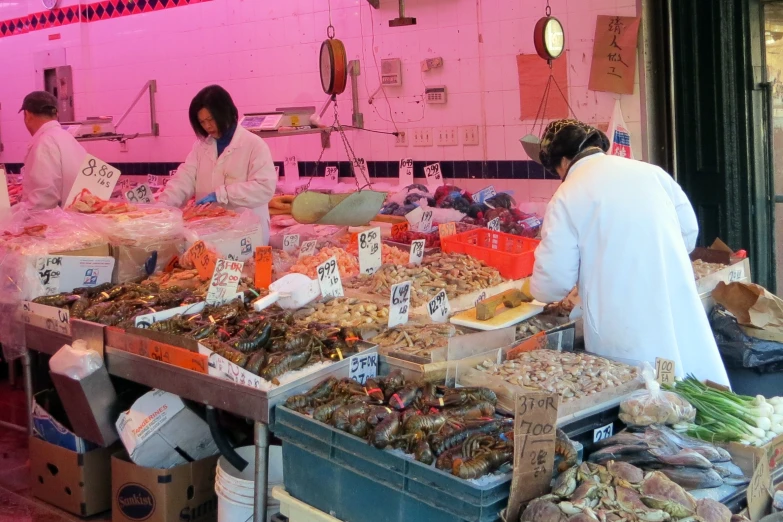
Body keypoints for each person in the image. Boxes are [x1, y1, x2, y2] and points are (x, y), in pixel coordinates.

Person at [523, 119, 729, 385]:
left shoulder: (567, 194)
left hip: (621, 319)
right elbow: (688, 232)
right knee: (685, 381)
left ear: (562, 161)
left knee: (642, 397)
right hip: (670, 294)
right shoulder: (651, 172)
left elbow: (552, 283)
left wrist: (533, 289)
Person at [157, 85, 277, 242]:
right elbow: (184, 179)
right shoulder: (200, 147)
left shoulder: (254, 145)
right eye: (202, 122)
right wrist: (163, 205)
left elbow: (264, 188)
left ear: (225, 113)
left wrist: (222, 194)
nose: (207, 126)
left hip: (248, 234)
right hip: (211, 233)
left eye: (210, 119)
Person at [16, 91, 87, 211]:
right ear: (56, 114)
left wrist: (9, 218)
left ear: (27, 115)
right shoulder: (67, 138)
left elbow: (42, 201)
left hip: (58, 224)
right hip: (77, 220)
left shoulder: (44, 142)